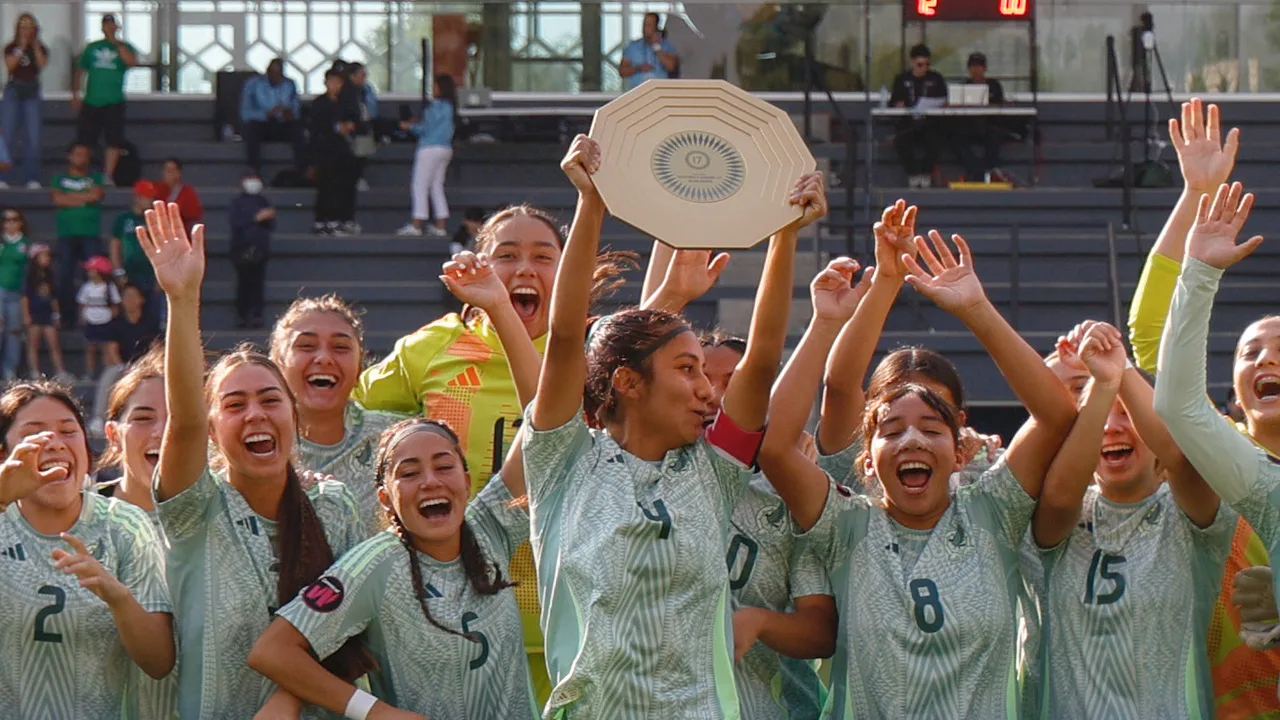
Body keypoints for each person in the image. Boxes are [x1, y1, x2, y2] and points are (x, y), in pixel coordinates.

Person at [521, 134, 819, 717]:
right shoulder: (563, 462)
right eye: (688, 369)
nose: (708, 389)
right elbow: (565, 338)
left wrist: (785, 233)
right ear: (628, 382)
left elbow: (762, 360)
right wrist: (591, 202)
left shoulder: (714, 474)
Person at [755, 225, 1076, 717]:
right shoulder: (845, 524)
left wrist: (976, 309)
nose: (912, 440)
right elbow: (777, 445)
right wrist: (829, 321)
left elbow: (1056, 415)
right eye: (892, 428)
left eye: (931, 425)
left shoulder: (995, 511)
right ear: (866, 459)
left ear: (961, 448)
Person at [356, 201, 641, 705]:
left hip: (571, 611)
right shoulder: (432, 347)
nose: (524, 268)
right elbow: (345, 412)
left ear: (570, 267)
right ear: (480, 263)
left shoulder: (596, 352)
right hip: (455, 615)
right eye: (507, 255)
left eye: (543, 256)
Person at [249, 253, 544, 717]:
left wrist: (499, 307)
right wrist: (374, 712)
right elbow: (273, 651)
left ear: (468, 480)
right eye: (408, 472)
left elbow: (545, 420)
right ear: (383, 496)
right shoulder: (376, 562)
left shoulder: (489, 527)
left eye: (444, 466)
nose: (429, 481)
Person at [136, 201, 367, 718]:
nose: (255, 414)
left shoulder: (334, 504)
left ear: (293, 415)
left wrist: (288, 697)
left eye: (269, 399)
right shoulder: (195, 509)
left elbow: (349, 631)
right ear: (213, 430)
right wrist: (182, 299)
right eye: (234, 405)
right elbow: (184, 420)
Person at [1127, 99, 1280, 715]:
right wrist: (1195, 195)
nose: (1266, 361)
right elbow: (1151, 339)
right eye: (1250, 352)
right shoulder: (1220, 449)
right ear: (1233, 387)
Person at [1034, 320, 1230, 718]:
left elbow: (1179, 457)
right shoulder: (1053, 514)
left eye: (1126, 414)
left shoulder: (1191, 513)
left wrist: (1119, 369)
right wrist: (1100, 383)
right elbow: (1058, 494)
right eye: (1100, 416)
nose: (1110, 427)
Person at [0, 379, 174, 719]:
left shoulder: (124, 525)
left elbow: (159, 663)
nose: (54, 442)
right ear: (4, 455)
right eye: (34, 433)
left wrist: (118, 598)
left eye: (68, 431)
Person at [268, 295, 407, 534]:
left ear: (360, 366)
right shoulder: (246, 443)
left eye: (340, 347)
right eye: (306, 346)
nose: (323, 358)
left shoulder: (396, 440)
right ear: (276, 364)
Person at [93, 345, 179, 718]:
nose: (162, 431)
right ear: (113, 435)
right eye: (143, 417)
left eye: (177, 416)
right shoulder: (74, 518)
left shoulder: (223, 517)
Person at [72, 14, 137, 184]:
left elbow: (131, 62)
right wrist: (76, 94)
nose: (109, 27)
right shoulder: (92, 47)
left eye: (112, 24)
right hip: (92, 100)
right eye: (106, 24)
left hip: (114, 100)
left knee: (113, 140)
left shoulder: (125, 46)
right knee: (85, 140)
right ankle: (82, 174)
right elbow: (80, 71)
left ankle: (108, 175)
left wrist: (117, 44)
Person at [50, 142, 106, 329]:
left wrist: (70, 198)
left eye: (85, 154)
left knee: (94, 276)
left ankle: (93, 319)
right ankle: (68, 318)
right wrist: (84, 199)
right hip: (66, 234)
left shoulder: (96, 177)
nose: (81, 158)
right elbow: (58, 199)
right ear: (70, 156)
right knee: (65, 276)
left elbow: (96, 196)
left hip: (90, 233)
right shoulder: (59, 179)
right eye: (78, 154)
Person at [396, 75, 457, 238]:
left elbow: (425, 129)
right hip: (445, 148)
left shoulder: (434, 107)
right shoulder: (451, 107)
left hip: (429, 148)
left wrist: (409, 126)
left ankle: (417, 224)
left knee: (420, 185)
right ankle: (440, 225)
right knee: (436, 186)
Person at [309, 68, 360, 237]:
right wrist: (335, 128)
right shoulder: (319, 104)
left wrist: (349, 126)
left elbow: (356, 121)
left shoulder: (345, 103)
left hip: (342, 151)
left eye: (338, 82)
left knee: (342, 186)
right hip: (324, 151)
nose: (335, 86)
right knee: (326, 187)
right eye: (332, 82)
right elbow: (315, 128)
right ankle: (322, 221)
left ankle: (340, 219)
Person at [890, 44, 947, 188]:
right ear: (912, 62)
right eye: (920, 65)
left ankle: (926, 173)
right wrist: (899, 104)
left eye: (927, 65)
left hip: (929, 122)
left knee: (935, 139)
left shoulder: (936, 78)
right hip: (908, 122)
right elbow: (894, 101)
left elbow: (944, 100)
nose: (924, 68)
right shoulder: (902, 79)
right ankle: (913, 174)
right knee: (902, 139)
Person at [1, 13, 47, 189]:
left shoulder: (40, 47)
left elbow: (41, 64)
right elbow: (10, 66)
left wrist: (33, 44)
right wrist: (21, 46)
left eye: (29, 25)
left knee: (33, 136)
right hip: (14, 89)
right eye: (23, 25)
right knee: (7, 135)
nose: (26, 29)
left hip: (32, 89)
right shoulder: (11, 47)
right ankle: (3, 177)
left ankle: (32, 177)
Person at [239, 57, 306, 176]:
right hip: (261, 124)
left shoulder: (289, 84)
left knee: (298, 130)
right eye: (273, 73)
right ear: (267, 71)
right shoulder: (253, 84)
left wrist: (289, 113)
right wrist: (266, 114)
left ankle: (302, 171)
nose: (276, 77)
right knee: (252, 129)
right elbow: (245, 113)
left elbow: (296, 109)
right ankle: (254, 171)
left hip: (282, 124)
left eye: (279, 73)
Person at [951, 52, 1008, 183]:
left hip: (989, 125)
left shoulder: (994, 85)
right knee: (955, 139)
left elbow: (1000, 104)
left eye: (979, 66)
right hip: (969, 126)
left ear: (984, 68)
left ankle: (990, 170)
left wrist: (986, 106)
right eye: (973, 66)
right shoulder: (964, 86)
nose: (976, 70)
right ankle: (977, 171)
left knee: (994, 135)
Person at [228, 172, 274, 328]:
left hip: (260, 249)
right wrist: (255, 218)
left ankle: (256, 315)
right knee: (243, 283)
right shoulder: (237, 203)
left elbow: (271, 224)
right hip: (241, 248)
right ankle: (241, 315)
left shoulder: (264, 201)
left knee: (257, 284)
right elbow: (236, 223)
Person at [109, 179, 160, 310]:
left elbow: (162, 246)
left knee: (152, 312)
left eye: (151, 197)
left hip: (150, 274)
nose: (150, 200)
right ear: (137, 197)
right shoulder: (123, 219)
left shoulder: (156, 220)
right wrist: (118, 271)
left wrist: (160, 277)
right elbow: (115, 246)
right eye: (147, 197)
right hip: (129, 273)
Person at [22, 244, 65, 379]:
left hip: (48, 314)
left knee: (54, 343)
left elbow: (54, 297)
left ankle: (60, 371)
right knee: (33, 344)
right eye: (43, 256)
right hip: (34, 313)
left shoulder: (50, 275)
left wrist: (56, 314)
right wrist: (26, 315)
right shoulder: (29, 277)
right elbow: (25, 297)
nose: (47, 259)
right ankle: (35, 372)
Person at [77, 255, 121, 380]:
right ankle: (89, 372)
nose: (89, 272)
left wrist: (112, 316)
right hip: (90, 319)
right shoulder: (86, 287)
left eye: (92, 270)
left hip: (105, 319)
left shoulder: (109, 287)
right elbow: (82, 303)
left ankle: (107, 371)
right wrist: (83, 316)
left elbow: (116, 304)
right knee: (90, 347)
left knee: (106, 347)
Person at [0, 208, 30, 380]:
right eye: (7, 220)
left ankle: (9, 370)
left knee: (14, 332)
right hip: (0, 290)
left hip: (18, 293)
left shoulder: (26, 244)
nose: (11, 223)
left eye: (15, 219)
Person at [619, 12, 678, 89]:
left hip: (660, 90)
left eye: (649, 25)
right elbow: (622, 71)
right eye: (644, 24)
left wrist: (657, 47)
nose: (645, 28)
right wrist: (638, 68)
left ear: (656, 27)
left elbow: (671, 66)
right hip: (638, 90)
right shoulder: (633, 46)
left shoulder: (666, 46)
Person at [158, 157, 203, 234]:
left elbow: (194, 215)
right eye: (167, 170)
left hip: (182, 233)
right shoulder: (157, 190)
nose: (169, 173)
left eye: (172, 170)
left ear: (179, 172)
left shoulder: (188, 192)